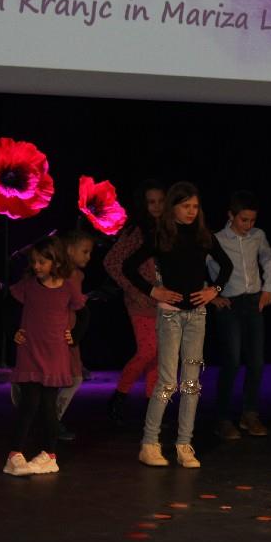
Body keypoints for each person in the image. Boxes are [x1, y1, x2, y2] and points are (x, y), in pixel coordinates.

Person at [123, 182, 232, 468]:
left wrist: (213, 290)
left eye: (195, 207)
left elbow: (227, 265)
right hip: (170, 316)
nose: (191, 211)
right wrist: (153, 291)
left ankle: (184, 444)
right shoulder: (160, 236)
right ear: (173, 207)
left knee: (192, 383)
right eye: (186, 206)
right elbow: (128, 266)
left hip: (196, 315)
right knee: (167, 381)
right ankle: (149, 443)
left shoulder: (203, 236)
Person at [6, 238, 85, 476]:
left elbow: (84, 314)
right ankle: (14, 455)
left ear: (56, 262)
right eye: (34, 262)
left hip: (55, 354)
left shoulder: (68, 287)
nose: (36, 266)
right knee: (30, 402)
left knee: (49, 405)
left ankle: (50, 456)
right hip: (30, 351)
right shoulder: (28, 285)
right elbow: (7, 305)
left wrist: (74, 336)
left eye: (42, 262)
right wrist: (13, 331)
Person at [209, 190, 271, 440]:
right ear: (231, 215)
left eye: (252, 220)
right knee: (232, 361)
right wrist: (211, 295)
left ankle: (249, 414)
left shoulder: (257, 236)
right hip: (230, 304)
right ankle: (222, 418)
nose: (248, 225)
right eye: (243, 220)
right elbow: (198, 267)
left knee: (256, 362)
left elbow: (268, 259)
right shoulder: (216, 240)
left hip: (253, 302)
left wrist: (268, 288)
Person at [103, 180, 165, 425]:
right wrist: (133, 289)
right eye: (151, 202)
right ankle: (118, 397)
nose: (157, 206)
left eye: (161, 201)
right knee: (148, 351)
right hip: (141, 300)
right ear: (143, 205)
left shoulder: (168, 229)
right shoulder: (137, 231)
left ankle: (152, 408)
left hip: (165, 300)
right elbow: (111, 262)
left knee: (159, 355)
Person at [53, 229, 95, 441]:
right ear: (70, 250)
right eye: (84, 251)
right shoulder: (61, 274)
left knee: (74, 378)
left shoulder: (76, 275)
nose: (89, 257)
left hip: (70, 335)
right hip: (58, 334)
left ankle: (51, 419)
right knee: (63, 378)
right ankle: (50, 421)